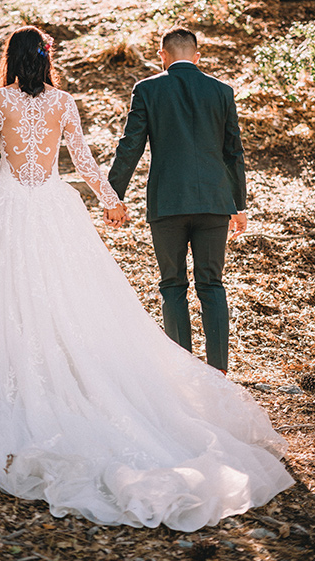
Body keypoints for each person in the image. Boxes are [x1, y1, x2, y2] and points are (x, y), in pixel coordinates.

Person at [0, 26, 293, 533]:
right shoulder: (64, 101)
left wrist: (3, 153)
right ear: (46, 59)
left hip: (6, 207)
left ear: (10, 59)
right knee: (78, 296)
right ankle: (181, 371)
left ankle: (15, 374)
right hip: (53, 205)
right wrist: (111, 200)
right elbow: (85, 161)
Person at [108, 27, 247, 374]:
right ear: (196, 57)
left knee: (173, 285)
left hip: (168, 203)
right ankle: (219, 373)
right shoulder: (221, 92)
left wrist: (113, 195)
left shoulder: (148, 89)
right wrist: (239, 204)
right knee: (212, 284)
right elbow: (234, 152)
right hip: (215, 203)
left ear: (163, 55)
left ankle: (185, 373)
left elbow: (131, 146)